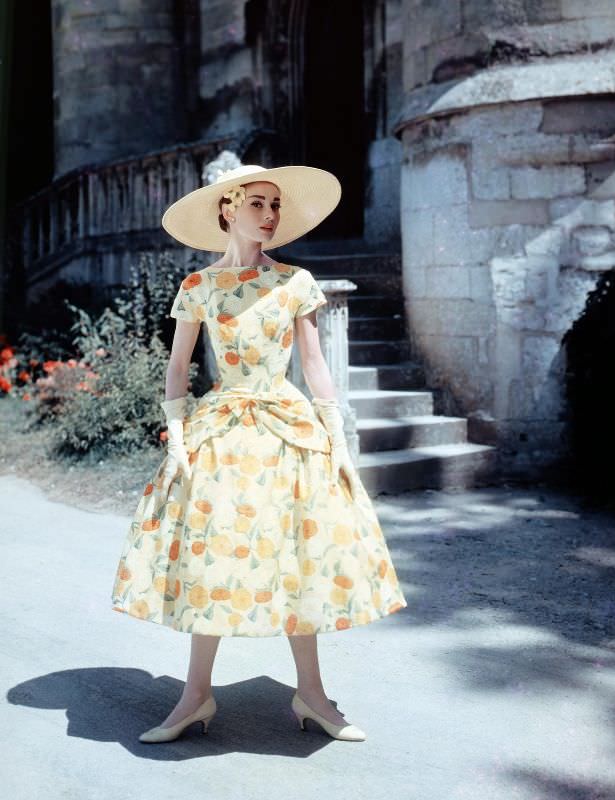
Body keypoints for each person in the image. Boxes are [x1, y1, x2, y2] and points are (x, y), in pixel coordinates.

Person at [110, 163, 408, 744]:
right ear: (228, 209)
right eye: (258, 204)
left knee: (298, 552)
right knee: (213, 554)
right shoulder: (199, 287)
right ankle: (195, 696)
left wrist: (336, 432)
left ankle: (312, 695)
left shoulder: (296, 281)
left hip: (286, 424)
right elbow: (178, 370)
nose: (270, 216)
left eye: (276, 206)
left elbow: (315, 364)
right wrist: (176, 438)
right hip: (222, 428)